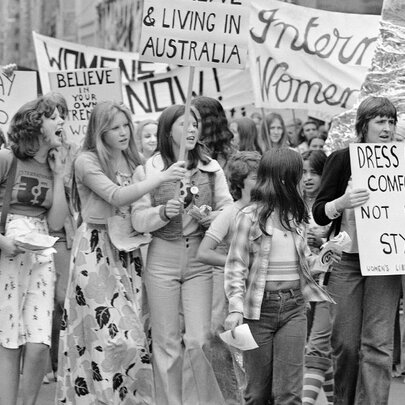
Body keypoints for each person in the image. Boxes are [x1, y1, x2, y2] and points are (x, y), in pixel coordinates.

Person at [56, 101, 186, 404]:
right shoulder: (86, 161)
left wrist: (166, 209)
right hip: (95, 253)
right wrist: (159, 178)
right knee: (108, 336)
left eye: (125, 124)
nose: (123, 132)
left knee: (133, 336)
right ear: (100, 131)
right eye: (114, 127)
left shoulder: (133, 162)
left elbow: (139, 212)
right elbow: (115, 195)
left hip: (128, 252)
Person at [131, 104, 233, 405]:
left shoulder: (211, 168)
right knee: (166, 342)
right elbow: (137, 218)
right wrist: (162, 212)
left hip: (199, 259)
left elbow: (229, 208)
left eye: (196, 123)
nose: (191, 129)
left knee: (200, 340)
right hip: (161, 256)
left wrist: (212, 217)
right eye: (183, 124)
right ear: (168, 130)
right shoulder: (149, 169)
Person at [224, 148, 339, 405]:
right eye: (299, 174)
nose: (303, 181)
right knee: (257, 394)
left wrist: (323, 260)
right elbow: (236, 265)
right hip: (257, 311)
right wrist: (235, 308)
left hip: (294, 307)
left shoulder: (298, 217)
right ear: (284, 178)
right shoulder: (249, 216)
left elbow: (304, 263)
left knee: (289, 394)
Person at [313, 96, 402, 405]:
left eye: (392, 121)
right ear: (363, 126)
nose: (388, 128)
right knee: (345, 344)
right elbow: (319, 213)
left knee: (377, 345)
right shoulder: (342, 159)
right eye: (380, 121)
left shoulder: (401, 159)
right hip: (347, 262)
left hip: (387, 263)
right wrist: (343, 202)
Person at [0, 96, 69, 405]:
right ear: (36, 123)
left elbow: (55, 222)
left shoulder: (53, 165)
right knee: (10, 341)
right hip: (8, 251)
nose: (63, 122)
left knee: (40, 343)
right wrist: (3, 243)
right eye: (55, 117)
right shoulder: (6, 159)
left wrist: (58, 175)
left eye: (63, 116)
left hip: (41, 249)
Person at [197, 151, 261, 403]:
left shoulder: (267, 211)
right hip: (228, 293)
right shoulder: (231, 213)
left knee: (252, 350)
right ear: (240, 182)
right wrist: (238, 264)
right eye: (256, 177)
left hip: (258, 292)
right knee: (229, 344)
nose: (262, 182)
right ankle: (235, 399)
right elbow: (204, 252)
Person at [301, 150, 334, 405]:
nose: (308, 178)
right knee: (322, 351)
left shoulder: (334, 205)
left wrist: (322, 241)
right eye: (303, 172)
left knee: (317, 348)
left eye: (314, 172)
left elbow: (347, 245)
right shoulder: (293, 205)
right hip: (301, 286)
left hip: (330, 284)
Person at [191, 96, 236, 169]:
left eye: (196, 120)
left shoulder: (234, 160)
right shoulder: (185, 153)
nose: (191, 127)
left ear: (211, 122)